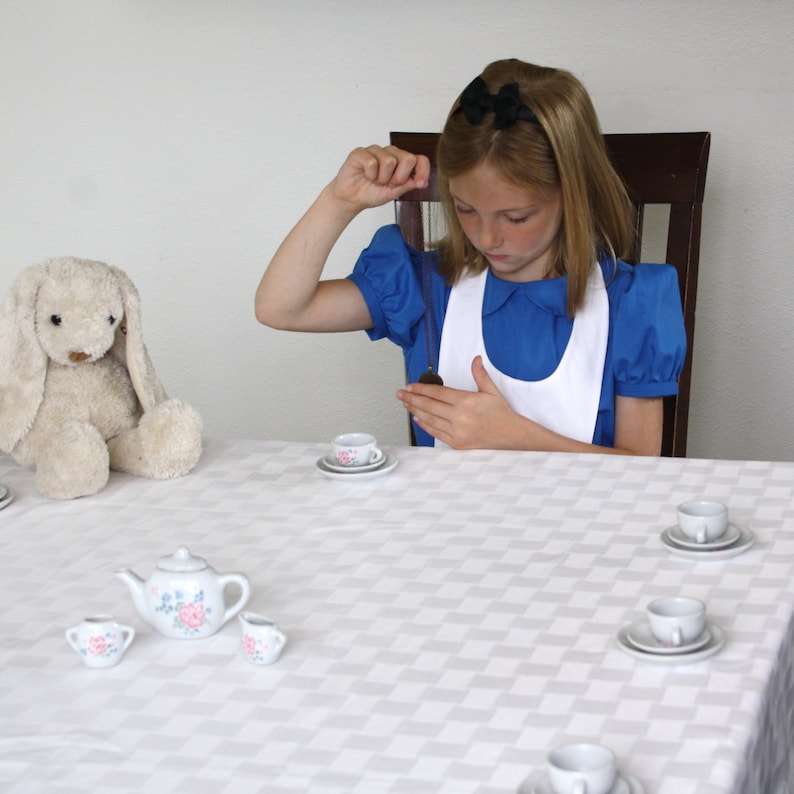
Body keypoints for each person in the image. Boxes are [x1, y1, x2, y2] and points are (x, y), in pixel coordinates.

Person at [256, 58, 686, 456]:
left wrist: (514, 436)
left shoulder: (631, 306)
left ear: (573, 195)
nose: (486, 236)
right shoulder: (427, 288)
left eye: (515, 217)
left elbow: (641, 473)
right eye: (465, 210)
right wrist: (340, 200)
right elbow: (281, 309)